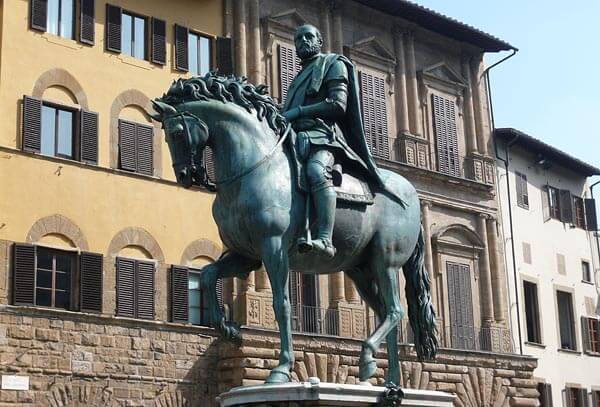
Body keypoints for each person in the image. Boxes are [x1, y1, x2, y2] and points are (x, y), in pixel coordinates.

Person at [282, 24, 404, 258]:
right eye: (298, 38)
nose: (303, 41)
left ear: (320, 40)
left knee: (317, 172)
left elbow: (338, 105)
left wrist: (298, 112)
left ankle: (326, 239)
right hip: (296, 136)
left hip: (324, 137)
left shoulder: (333, 63)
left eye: (309, 36)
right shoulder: (297, 79)